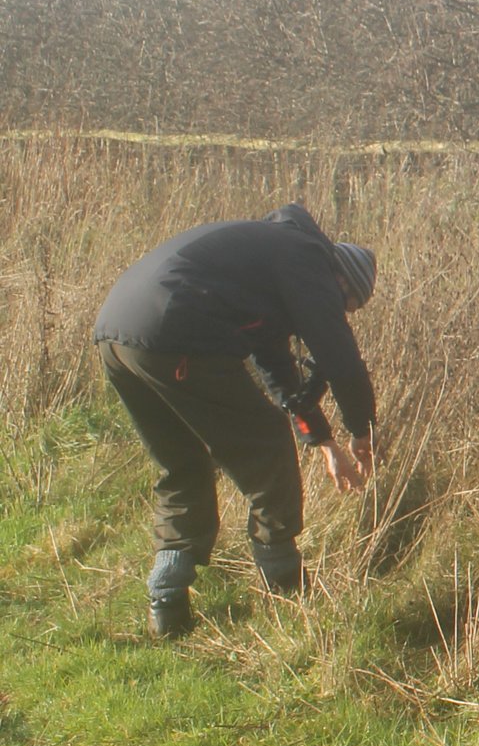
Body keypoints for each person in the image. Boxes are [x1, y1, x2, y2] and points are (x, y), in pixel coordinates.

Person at [92, 204, 378, 637]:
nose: (342, 313)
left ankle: (167, 602)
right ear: (341, 280)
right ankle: (283, 580)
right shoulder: (309, 260)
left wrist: (324, 442)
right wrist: (363, 429)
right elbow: (340, 358)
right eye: (347, 305)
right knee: (267, 446)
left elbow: (278, 370)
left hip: (117, 334)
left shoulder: (271, 260)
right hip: (174, 328)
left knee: (183, 462)